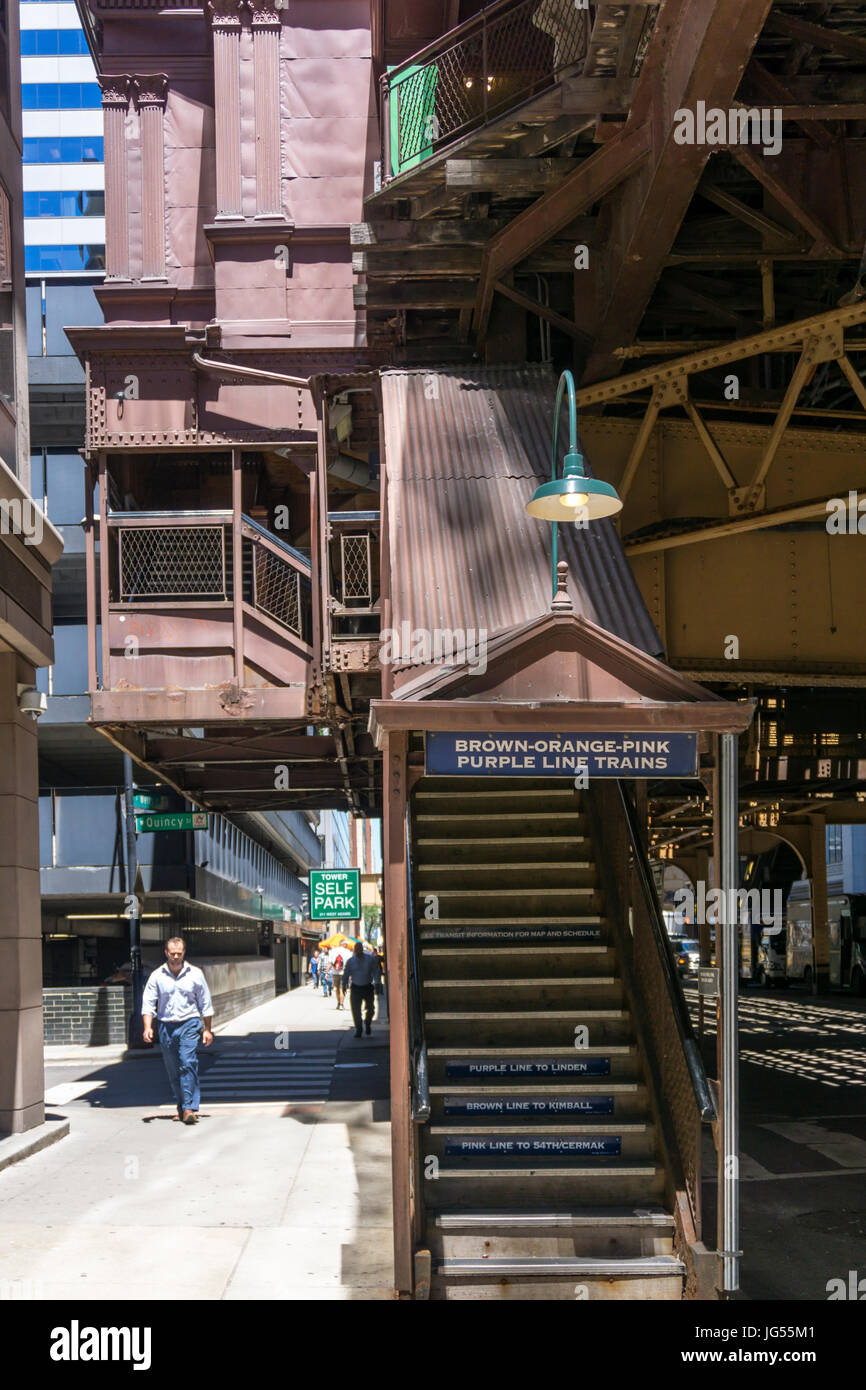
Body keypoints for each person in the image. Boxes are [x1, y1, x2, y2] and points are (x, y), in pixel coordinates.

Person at [142, 936, 213, 1125]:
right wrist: (148, 1027)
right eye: (172, 953)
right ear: (166, 953)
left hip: (189, 1023)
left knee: (187, 1062)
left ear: (184, 952)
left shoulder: (195, 974)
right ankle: (181, 1106)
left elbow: (205, 1002)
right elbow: (148, 1002)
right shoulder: (157, 975)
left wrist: (207, 1029)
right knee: (173, 1069)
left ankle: (189, 1108)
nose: (175, 957)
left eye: (179, 953)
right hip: (166, 1025)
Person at [343, 942, 381, 1038]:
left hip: (368, 987)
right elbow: (346, 974)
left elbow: (376, 971)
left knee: (371, 1009)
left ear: (362, 949)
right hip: (355, 988)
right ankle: (359, 1029)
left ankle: (368, 1023)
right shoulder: (350, 961)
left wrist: (377, 983)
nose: (358, 951)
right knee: (356, 1010)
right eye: (357, 949)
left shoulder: (369, 959)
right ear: (355, 950)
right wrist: (344, 985)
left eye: (360, 949)